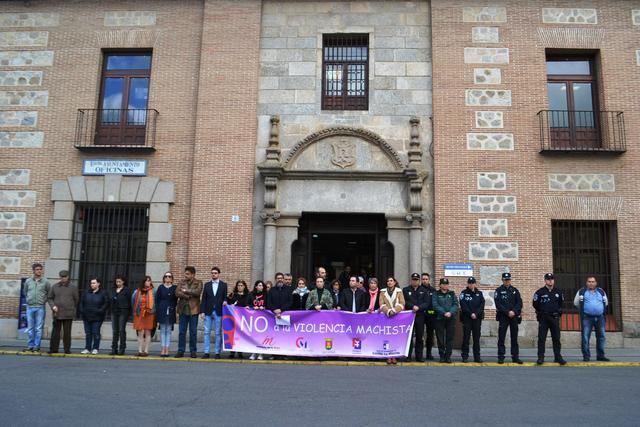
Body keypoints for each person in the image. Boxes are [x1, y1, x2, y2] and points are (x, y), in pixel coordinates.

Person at [533, 273, 566, 365]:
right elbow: (535, 304)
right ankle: (541, 357)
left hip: (554, 317)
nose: (550, 281)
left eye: (552, 279)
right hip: (543, 318)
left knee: (556, 338)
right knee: (541, 338)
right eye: (548, 279)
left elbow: (561, 303)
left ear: (554, 280)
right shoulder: (540, 292)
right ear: (545, 280)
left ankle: (558, 357)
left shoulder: (558, 292)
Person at [574, 276, 610, 362]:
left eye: (593, 281)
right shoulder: (582, 291)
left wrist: (598, 309)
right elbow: (576, 303)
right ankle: (586, 356)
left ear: (596, 283)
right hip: (587, 318)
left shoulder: (601, 292)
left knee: (601, 336)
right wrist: (586, 309)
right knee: (585, 337)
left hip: (600, 317)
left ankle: (600, 355)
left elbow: (606, 303)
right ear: (586, 283)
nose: (591, 283)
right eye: (589, 281)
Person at [494, 272, 523, 364]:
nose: (507, 281)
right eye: (505, 280)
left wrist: (514, 311)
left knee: (514, 337)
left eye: (508, 280)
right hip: (503, 316)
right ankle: (501, 356)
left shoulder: (515, 290)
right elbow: (498, 304)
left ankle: (515, 356)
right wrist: (507, 312)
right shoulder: (498, 291)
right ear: (502, 280)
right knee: (501, 337)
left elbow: (519, 303)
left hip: (513, 316)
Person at [47, 270, 78, 354]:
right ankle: (53, 349)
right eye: (61, 277)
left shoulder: (73, 287)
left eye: (64, 277)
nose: (63, 278)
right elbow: (49, 298)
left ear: (68, 277)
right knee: (55, 333)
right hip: (57, 313)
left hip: (68, 313)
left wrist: (71, 307)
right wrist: (53, 306)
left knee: (67, 333)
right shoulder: (54, 286)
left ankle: (67, 349)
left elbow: (76, 300)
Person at [200, 266, 228, 359]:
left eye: (215, 273)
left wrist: (225, 301)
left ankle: (217, 352)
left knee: (217, 333)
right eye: (212, 273)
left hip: (218, 311)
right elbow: (203, 299)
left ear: (218, 274)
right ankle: (206, 352)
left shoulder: (223, 285)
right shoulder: (207, 285)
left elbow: (225, 297)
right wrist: (202, 311)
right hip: (208, 311)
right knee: (206, 332)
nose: (213, 274)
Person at [175, 266, 203, 358]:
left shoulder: (198, 282)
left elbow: (198, 292)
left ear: (192, 274)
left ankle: (193, 351)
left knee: (193, 332)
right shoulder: (181, 282)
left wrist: (186, 290)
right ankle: (180, 350)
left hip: (193, 310)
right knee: (182, 332)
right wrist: (187, 295)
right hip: (183, 310)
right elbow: (177, 293)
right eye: (185, 273)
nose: (185, 275)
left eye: (187, 274)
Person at [23, 262, 51, 352]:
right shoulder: (28, 281)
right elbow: (25, 291)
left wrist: (43, 301)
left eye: (40, 269)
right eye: (37, 269)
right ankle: (30, 345)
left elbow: (49, 293)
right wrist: (28, 299)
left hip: (40, 307)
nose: (39, 271)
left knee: (38, 328)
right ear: (33, 271)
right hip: (30, 307)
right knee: (30, 328)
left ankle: (36, 346)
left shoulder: (45, 281)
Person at [403, 273, 429, 362]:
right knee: (409, 337)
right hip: (409, 316)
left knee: (419, 336)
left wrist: (419, 307)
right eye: (413, 279)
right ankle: (408, 356)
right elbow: (404, 301)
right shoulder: (406, 290)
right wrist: (412, 306)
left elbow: (427, 303)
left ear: (419, 280)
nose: (415, 281)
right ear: (411, 280)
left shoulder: (424, 290)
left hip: (420, 316)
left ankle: (419, 356)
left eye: (417, 280)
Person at [379, 276, 405, 364]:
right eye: (388, 281)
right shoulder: (382, 292)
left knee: (395, 337)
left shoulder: (399, 291)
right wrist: (388, 311)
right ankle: (388, 355)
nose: (389, 282)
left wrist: (394, 310)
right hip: (386, 316)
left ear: (394, 282)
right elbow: (381, 304)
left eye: (391, 281)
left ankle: (394, 355)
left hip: (396, 316)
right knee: (387, 337)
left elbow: (402, 303)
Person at [79, 277, 108, 355]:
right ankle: (87, 348)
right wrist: (82, 311)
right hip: (86, 316)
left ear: (98, 284)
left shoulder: (103, 293)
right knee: (88, 333)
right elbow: (81, 302)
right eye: (91, 283)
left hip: (97, 317)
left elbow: (106, 303)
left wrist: (100, 311)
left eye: (94, 283)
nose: (92, 284)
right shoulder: (86, 292)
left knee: (96, 333)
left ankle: (95, 348)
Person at [459, 277, 485, 363]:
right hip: (467, 318)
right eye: (469, 283)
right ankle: (465, 356)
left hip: (477, 319)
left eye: (473, 283)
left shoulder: (479, 294)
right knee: (466, 338)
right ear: (467, 284)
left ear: (475, 284)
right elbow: (463, 305)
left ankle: (477, 357)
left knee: (476, 338)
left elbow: (482, 306)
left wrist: (476, 314)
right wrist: (471, 314)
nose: (471, 284)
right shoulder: (463, 293)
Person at [433, 278, 458, 363]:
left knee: (449, 338)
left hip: (450, 319)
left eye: (446, 284)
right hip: (439, 319)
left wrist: (450, 312)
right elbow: (435, 305)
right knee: (440, 338)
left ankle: (448, 356)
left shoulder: (452, 294)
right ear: (440, 285)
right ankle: (442, 356)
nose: (445, 285)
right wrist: (444, 313)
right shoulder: (435, 294)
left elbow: (455, 304)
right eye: (443, 284)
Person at [132, 276, 156, 357]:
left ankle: (146, 351)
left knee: (148, 332)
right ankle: (140, 350)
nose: (148, 282)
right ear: (143, 282)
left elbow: (156, 301)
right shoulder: (137, 291)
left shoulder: (153, 291)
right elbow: (133, 301)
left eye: (149, 281)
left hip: (149, 313)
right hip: (139, 313)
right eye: (146, 281)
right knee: (140, 332)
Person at [156, 271, 177, 357]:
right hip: (162, 310)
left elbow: (176, 300)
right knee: (162, 330)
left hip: (171, 311)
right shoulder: (161, 287)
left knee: (168, 331)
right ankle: (162, 349)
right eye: (166, 276)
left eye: (170, 276)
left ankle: (167, 349)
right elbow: (157, 300)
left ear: (172, 279)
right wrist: (158, 311)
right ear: (164, 278)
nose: (168, 278)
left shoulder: (175, 288)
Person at [227, 280, 250, 359]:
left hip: (243, 319)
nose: (240, 287)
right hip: (233, 318)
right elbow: (227, 302)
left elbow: (250, 304)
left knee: (241, 335)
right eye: (239, 285)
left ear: (244, 287)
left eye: (241, 285)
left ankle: (240, 351)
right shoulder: (232, 295)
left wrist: (248, 307)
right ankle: (232, 352)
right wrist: (230, 304)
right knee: (233, 335)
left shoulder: (248, 295)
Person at [110, 274, 131, 355]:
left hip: (123, 312)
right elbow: (110, 299)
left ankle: (122, 348)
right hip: (114, 312)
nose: (118, 283)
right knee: (115, 331)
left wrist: (129, 313)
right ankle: (114, 348)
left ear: (123, 282)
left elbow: (129, 302)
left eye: (119, 281)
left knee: (121, 330)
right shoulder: (113, 289)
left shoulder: (127, 290)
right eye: (117, 281)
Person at [249, 281, 267, 360]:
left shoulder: (266, 295)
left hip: (263, 318)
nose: (261, 287)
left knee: (262, 336)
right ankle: (253, 353)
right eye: (259, 285)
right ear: (256, 286)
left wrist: (264, 307)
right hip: (254, 318)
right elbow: (247, 304)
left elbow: (269, 304)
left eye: (262, 286)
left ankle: (261, 353)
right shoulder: (251, 295)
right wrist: (253, 307)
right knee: (254, 336)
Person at [421, 273, 436, 360]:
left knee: (430, 335)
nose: (425, 280)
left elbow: (434, 303)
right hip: (421, 315)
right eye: (423, 279)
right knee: (420, 335)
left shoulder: (433, 290)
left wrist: (432, 312)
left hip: (430, 315)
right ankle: (419, 354)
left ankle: (428, 353)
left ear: (429, 280)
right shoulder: (419, 289)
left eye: (426, 279)